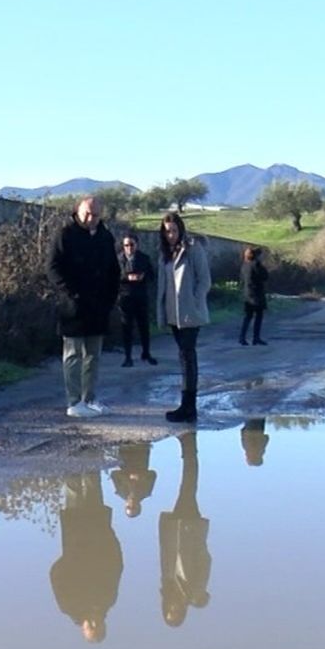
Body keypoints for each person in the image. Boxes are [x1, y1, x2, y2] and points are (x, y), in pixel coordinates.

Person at [47, 196, 121, 418]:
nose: (91, 218)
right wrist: (72, 293)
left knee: (93, 354)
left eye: (96, 215)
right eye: (87, 213)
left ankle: (89, 398)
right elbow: (52, 268)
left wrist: (110, 298)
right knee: (73, 354)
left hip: (98, 306)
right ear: (78, 212)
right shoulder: (65, 235)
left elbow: (114, 270)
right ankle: (74, 401)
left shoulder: (105, 236)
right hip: (73, 306)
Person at [49, 471, 124, 642]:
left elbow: (55, 575)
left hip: (74, 534)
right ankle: (91, 452)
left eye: (91, 627)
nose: (93, 623)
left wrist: (68, 560)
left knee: (72, 487)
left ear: (83, 628)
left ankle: (70, 456)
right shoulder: (108, 599)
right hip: (98, 530)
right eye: (98, 627)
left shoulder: (68, 606)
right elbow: (116, 565)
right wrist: (110, 535)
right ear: (104, 625)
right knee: (92, 486)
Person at [154, 211, 212, 423]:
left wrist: (195, 301)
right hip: (173, 313)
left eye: (174, 230)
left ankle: (188, 407)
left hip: (190, 312)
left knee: (188, 356)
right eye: (167, 231)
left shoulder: (193, 248)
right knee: (183, 356)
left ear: (181, 229)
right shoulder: (164, 254)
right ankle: (187, 406)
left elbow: (204, 280)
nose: (171, 235)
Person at [159, 430, 211, 627]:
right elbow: (205, 560)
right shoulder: (194, 588)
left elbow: (165, 555)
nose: (173, 607)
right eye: (176, 612)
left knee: (187, 488)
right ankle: (189, 447)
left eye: (169, 610)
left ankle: (188, 448)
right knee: (188, 487)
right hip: (190, 530)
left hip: (175, 530)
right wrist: (197, 536)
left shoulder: (167, 586)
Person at [117, 233, 158, 367]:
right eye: (126, 245)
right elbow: (113, 277)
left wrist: (142, 277)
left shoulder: (144, 258)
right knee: (126, 328)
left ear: (137, 245)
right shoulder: (119, 259)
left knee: (144, 326)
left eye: (131, 245)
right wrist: (126, 278)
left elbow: (152, 276)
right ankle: (128, 356)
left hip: (141, 297)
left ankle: (146, 352)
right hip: (125, 298)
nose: (129, 248)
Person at [108, 441, 158, 518]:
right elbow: (153, 474)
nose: (131, 504)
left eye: (128, 507)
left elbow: (114, 474)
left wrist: (127, 478)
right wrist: (141, 476)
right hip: (141, 455)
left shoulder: (120, 492)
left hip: (125, 456)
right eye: (134, 507)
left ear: (125, 505)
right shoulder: (146, 491)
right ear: (139, 506)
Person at [239, 246, 269, 346]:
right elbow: (265, 276)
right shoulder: (256, 264)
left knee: (247, 316)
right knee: (259, 316)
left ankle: (242, 337)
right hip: (257, 294)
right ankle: (256, 338)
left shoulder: (244, 265)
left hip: (247, 293)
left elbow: (242, 280)